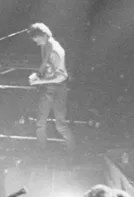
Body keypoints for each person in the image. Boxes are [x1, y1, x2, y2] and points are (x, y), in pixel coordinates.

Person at [28, 22, 76, 152]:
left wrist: (39, 81)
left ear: (44, 35)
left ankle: (73, 153)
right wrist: (38, 75)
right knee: (40, 123)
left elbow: (61, 76)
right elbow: (45, 64)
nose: (37, 43)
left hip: (58, 88)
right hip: (48, 87)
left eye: (37, 40)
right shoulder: (45, 45)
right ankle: (41, 153)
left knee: (60, 125)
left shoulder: (55, 50)